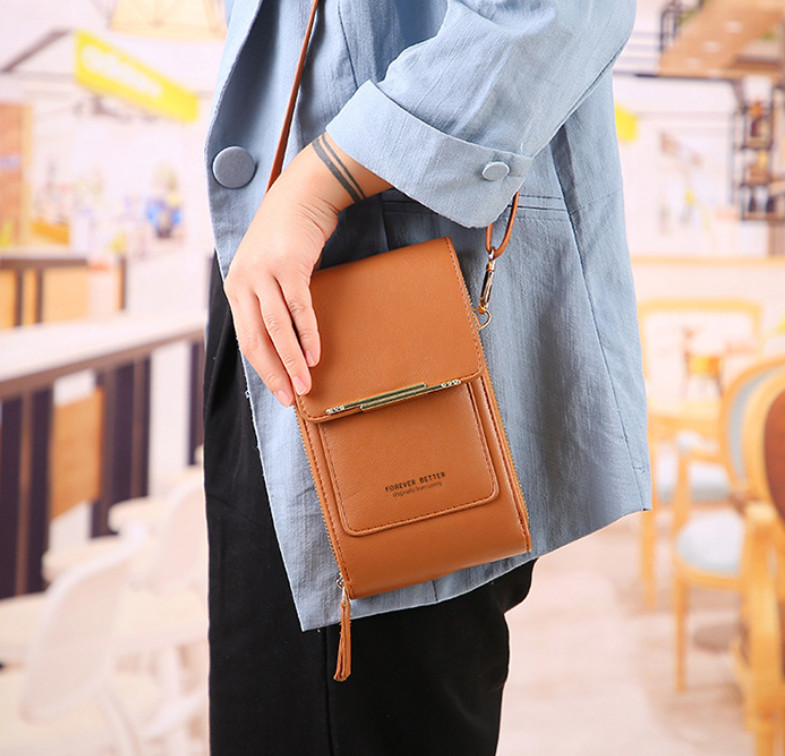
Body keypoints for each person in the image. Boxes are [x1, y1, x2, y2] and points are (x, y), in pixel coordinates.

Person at [204, 1, 650, 753]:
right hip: (282, 289)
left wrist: (322, 180)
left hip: (373, 314)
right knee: (276, 697)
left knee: (356, 705)